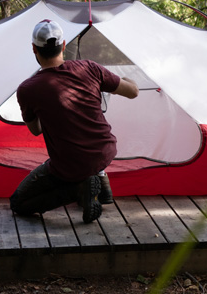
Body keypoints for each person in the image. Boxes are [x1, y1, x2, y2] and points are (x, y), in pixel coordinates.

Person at [9, 19, 139, 223]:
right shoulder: (89, 68)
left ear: (34, 49)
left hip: (68, 166)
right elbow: (133, 92)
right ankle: (97, 181)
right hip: (104, 151)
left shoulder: (28, 89)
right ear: (63, 45)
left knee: (18, 203)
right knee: (85, 152)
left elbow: (36, 130)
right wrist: (127, 78)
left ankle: (79, 190)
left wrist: (51, 109)